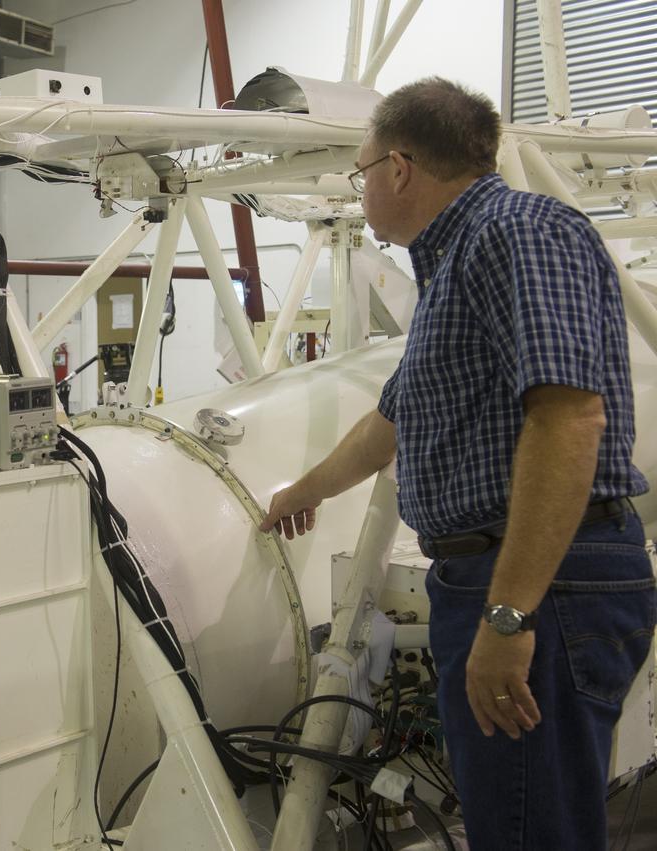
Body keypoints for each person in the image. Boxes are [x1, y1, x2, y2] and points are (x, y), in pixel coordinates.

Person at [259, 78, 652, 851]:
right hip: (507, 580)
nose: (361, 188)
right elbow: (391, 423)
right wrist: (297, 492)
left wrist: (510, 614)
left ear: (399, 169)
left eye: (360, 170)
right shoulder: (454, 268)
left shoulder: (515, 233)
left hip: (540, 583)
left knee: (531, 831)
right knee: (517, 821)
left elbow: (569, 417)